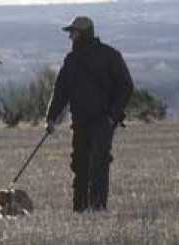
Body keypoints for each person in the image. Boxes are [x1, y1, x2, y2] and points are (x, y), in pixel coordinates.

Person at [45, 16, 134, 213]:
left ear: (84, 34)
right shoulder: (71, 60)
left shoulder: (110, 56)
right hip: (80, 122)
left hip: (103, 121)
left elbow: (126, 87)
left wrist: (112, 116)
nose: (70, 37)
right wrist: (51, 118)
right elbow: (60, 91)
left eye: (73, 32)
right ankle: (79, 209)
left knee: (99, 165)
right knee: (79, 165)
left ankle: (98, 209)